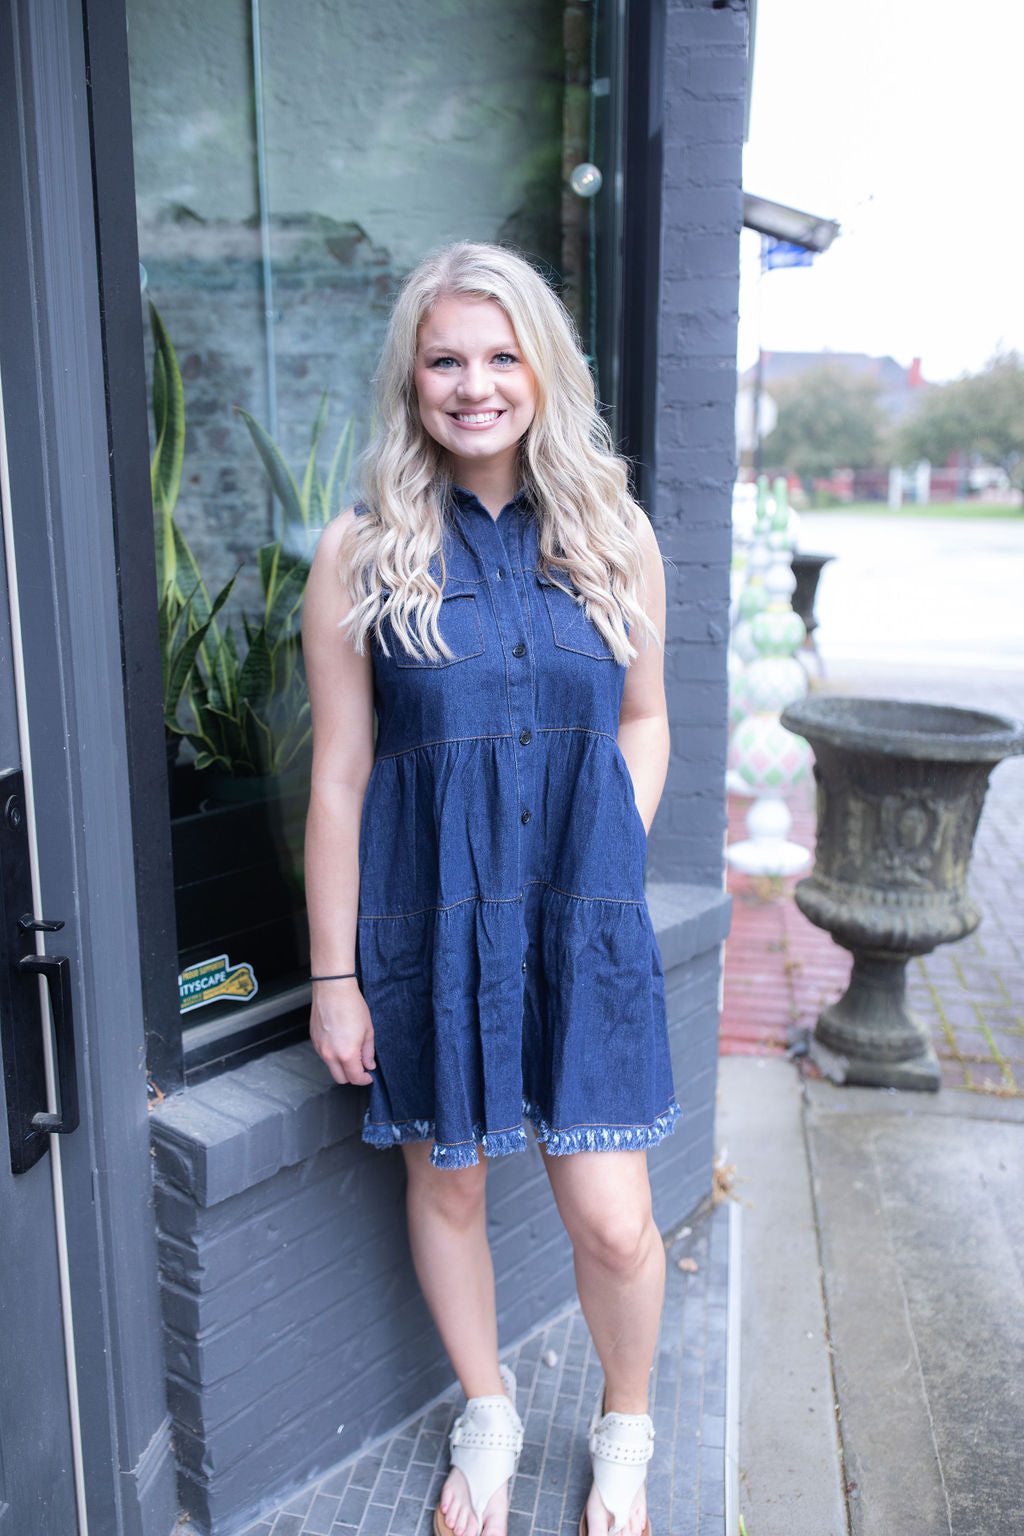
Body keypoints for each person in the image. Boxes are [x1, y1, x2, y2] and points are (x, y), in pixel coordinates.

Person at [302, 241, 675, 1536]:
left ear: (542, 369)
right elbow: (340, 777)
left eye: (502, 355)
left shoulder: (616, 536)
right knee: (449, 1183)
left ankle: (626, 1423)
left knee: (614, 1222)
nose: (475, 385)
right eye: (446, 359)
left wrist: (609, 847)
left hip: (583, 922)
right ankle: (489, 1409)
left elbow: (646, 718)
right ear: (412, 379)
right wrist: (334, 976)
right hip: (430, 923)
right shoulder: (361, 551)